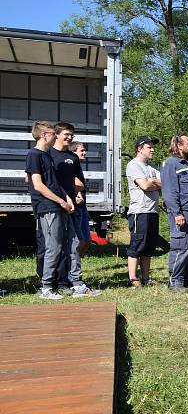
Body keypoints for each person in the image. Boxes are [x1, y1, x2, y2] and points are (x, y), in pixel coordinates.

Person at [49, 122, 101, 296]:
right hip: (53, 206)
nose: (69, 137)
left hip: (71, 208)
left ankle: (76, 282)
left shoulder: (73, 157)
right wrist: (63, 197)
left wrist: (76, 193)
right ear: (56, 134)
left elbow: (79, 181)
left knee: (74, 244)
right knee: (53, 247)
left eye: (71, 135)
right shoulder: (48, 155)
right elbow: (48, 182)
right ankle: (51, 284)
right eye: (66, 134)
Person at [26, 121, 74, 300]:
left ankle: (52, 284)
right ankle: (46, 287)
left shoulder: (47, 155)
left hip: (57, 205)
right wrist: (61, 201)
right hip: (47, 207)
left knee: (59, 245)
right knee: (53, 246)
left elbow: (54, 182)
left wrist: (67, 199)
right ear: (43, 135)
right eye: (53, 133)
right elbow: (38, 185)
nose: (56, 136)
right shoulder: (34, 155)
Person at [161, 133, 188, 292]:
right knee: (181, 246)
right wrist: (177, 213)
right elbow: (170, 192)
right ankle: (175, 282)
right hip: (183, 212)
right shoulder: (171, 164)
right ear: (179, 145)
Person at [126, 136, 161, 288]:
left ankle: (146, 278)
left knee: (149, 247)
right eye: (149, 147)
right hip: (139, 212)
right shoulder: (134, 165)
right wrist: (152, 182)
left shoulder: (152, 167)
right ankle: (133, 279)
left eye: (152, 147)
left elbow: (163, 183)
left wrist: (152, 182)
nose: (152, 149)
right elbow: (145, 185)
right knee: (137, 245)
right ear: (140, 149)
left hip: (153, 211)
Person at [68, 141, 91, 256]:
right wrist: (77, 194)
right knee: (79, 241)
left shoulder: (78, 167)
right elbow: (71, 182)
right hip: (75, 208)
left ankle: (76, 264)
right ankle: (71, 266)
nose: (84, 153)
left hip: (82, 208)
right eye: (81, 150)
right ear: (73, 152)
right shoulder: (70, 166)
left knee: (87, 241)